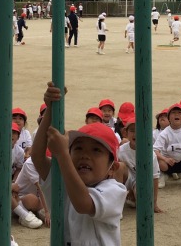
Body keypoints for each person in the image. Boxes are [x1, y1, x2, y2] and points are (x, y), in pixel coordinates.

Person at [31, 81, 127, 245]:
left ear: (113, 168)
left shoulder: (114, 190)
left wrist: (63, 155)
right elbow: (38, 158)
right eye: (78, 148)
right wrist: (50, 110)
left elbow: (83, 204)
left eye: (96, 150)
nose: (85, 155)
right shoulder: (64, 180)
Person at [118, 117, 163, 213]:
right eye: (132, 131)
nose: (136, 134)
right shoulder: (121, 150)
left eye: (139, 130)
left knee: (143, 203)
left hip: (140, 180)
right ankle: (116, 206)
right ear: (126, 133)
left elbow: (155, 178)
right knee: (119, 166)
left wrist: (154, 203)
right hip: (126, 178)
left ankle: (132, 196)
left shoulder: (150, 154)